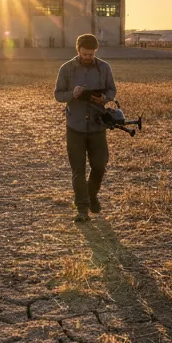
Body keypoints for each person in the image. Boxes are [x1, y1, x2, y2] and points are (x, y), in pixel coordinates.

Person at [54, 33, 116, 222]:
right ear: (78, 50)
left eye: (91, 54)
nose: (88, 57)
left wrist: (104, 98)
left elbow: (112, 90)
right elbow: (58, 95)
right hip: (75, 126)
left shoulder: (104, 68)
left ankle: (92, 196)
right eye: (85, 54)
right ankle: (82, 208)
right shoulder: (66, 69)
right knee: (78, 170)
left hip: (98, 125)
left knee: (99, 165)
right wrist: (72, 94)